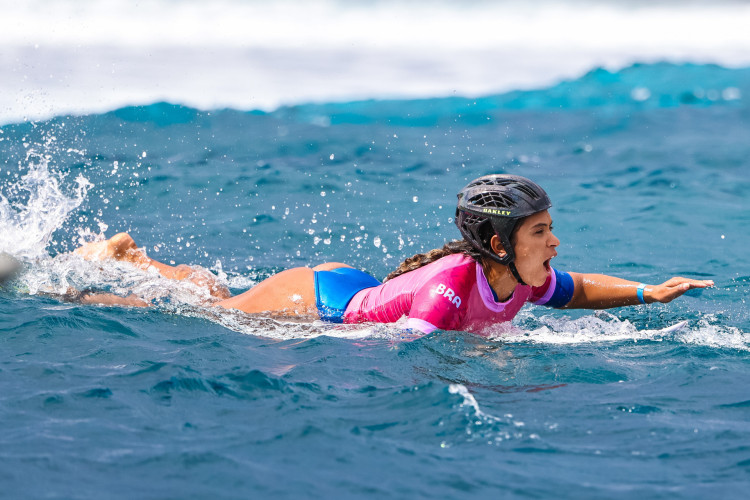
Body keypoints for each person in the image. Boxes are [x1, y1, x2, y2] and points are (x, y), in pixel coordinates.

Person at [73, 174, 713, 335]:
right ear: (498, 245)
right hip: (319, 304)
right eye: (540, 231)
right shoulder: (451, 287)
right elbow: (404, 348)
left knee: (213, 294)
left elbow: (575, 289)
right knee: (210, 311)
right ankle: (84, 290)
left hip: (357, 286)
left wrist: (647, 291)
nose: (554, 243)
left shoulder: (519, 278)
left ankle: (132, 255)